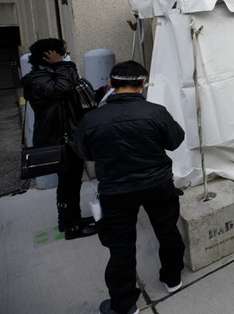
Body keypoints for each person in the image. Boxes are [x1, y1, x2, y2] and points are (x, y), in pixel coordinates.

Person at [74, 61, 185, 314]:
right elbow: (175, 140)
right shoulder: (156, 111)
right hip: (157, 184)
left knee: (121, 246)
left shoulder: (91, 119)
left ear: (110, 84)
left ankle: (124, 304)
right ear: (143, 82)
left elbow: (84, 152)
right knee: (167, 231)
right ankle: (172, 279)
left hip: (116, 190)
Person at [22, 38, 97, 240]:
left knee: (71, 182)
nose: (65, 55)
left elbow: (71, 99)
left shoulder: (51, 75)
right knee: (68, 184)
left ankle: (71, 220)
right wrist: (62, 65)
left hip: (69, 137)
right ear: (49, 55)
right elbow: (62, 89)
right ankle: (72, 227)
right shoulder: (37, 79)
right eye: (62, 53)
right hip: (59, 139)